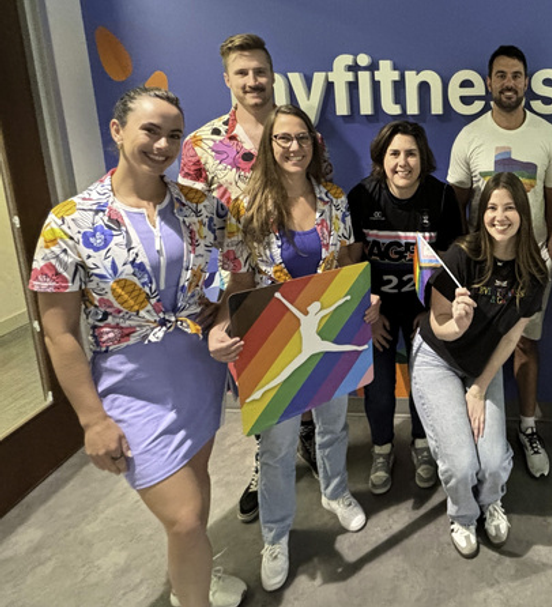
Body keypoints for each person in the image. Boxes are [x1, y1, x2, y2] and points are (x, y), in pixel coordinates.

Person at [29, 87, 246, 607]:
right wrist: (91, 420)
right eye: (151, 130)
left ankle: (193, 576)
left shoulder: (203, 208)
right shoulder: (70, 222)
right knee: (186, 515)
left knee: (195, 487)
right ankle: (190, 594)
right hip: (130, 385)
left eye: (174, 134)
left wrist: (221, 319)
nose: (164, 144)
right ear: (117, 131)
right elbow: (59, 333)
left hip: (199, 371)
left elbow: (235, 279)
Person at [208, 105, 370, 593]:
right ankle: (275, 536)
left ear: (314, 144)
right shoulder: (247, 208)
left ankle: (335, 491)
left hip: (325, 331)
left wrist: (365, 303)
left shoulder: (334, 201)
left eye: (302, 137)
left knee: (334, 423)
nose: (294, 146)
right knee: (277, 447)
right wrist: (220, 328)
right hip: (271, 342)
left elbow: (346, 264)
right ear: (268, 147)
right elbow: (236, 283)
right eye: (283, 139)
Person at [179, 33, 332, 521]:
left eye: (260, 71)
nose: (252, 81)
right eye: (241, 73)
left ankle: (305, 438)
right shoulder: (201, 146)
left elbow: (322, 196)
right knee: (260, 384)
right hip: (239, 290)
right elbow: (189, 226)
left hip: (302, 278)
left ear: (272, 74)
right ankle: (263, 464)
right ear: (227, 79)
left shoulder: (300, 135)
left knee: (308, 367)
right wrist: (213, 303)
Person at [412, 172, 548, 558]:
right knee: (460, 464)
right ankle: (463, 515)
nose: (499, 216)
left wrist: (479, 386)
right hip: (438, 358)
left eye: (508, 207)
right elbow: (437, 323)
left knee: (491, 462)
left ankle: (491, 503)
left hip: (481, 365)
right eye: (491, 207)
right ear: (480, 213)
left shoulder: (535, 272)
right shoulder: (462, 255)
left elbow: (510, 339)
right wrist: (456, 324)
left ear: (522, 212)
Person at [448, 45, 552, 479]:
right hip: (482, 266)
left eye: (516, 75)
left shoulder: (547, 136)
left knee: (526, 344)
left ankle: (529, 427)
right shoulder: (470, 137)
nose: (509, 83)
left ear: (527, 82)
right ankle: (475, 423)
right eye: (501, 76)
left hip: (530, 266)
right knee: (480, 343)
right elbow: (456, 205)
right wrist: (468, 256)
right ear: (488, 83)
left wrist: (548, 253)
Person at [347, 121, 463, 495]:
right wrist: (369, 311)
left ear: (422, 157)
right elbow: (351, 263)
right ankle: (382, 449)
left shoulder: (442, 197)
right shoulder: (362, 197)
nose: (403, 162)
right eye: (394, 153)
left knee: (422, 385)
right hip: (376, 312)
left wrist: (431, 310)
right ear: (381, 158)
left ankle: (422, 446)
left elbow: (452, 262)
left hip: (421, 311)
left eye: (411, 153)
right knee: (379, 389)